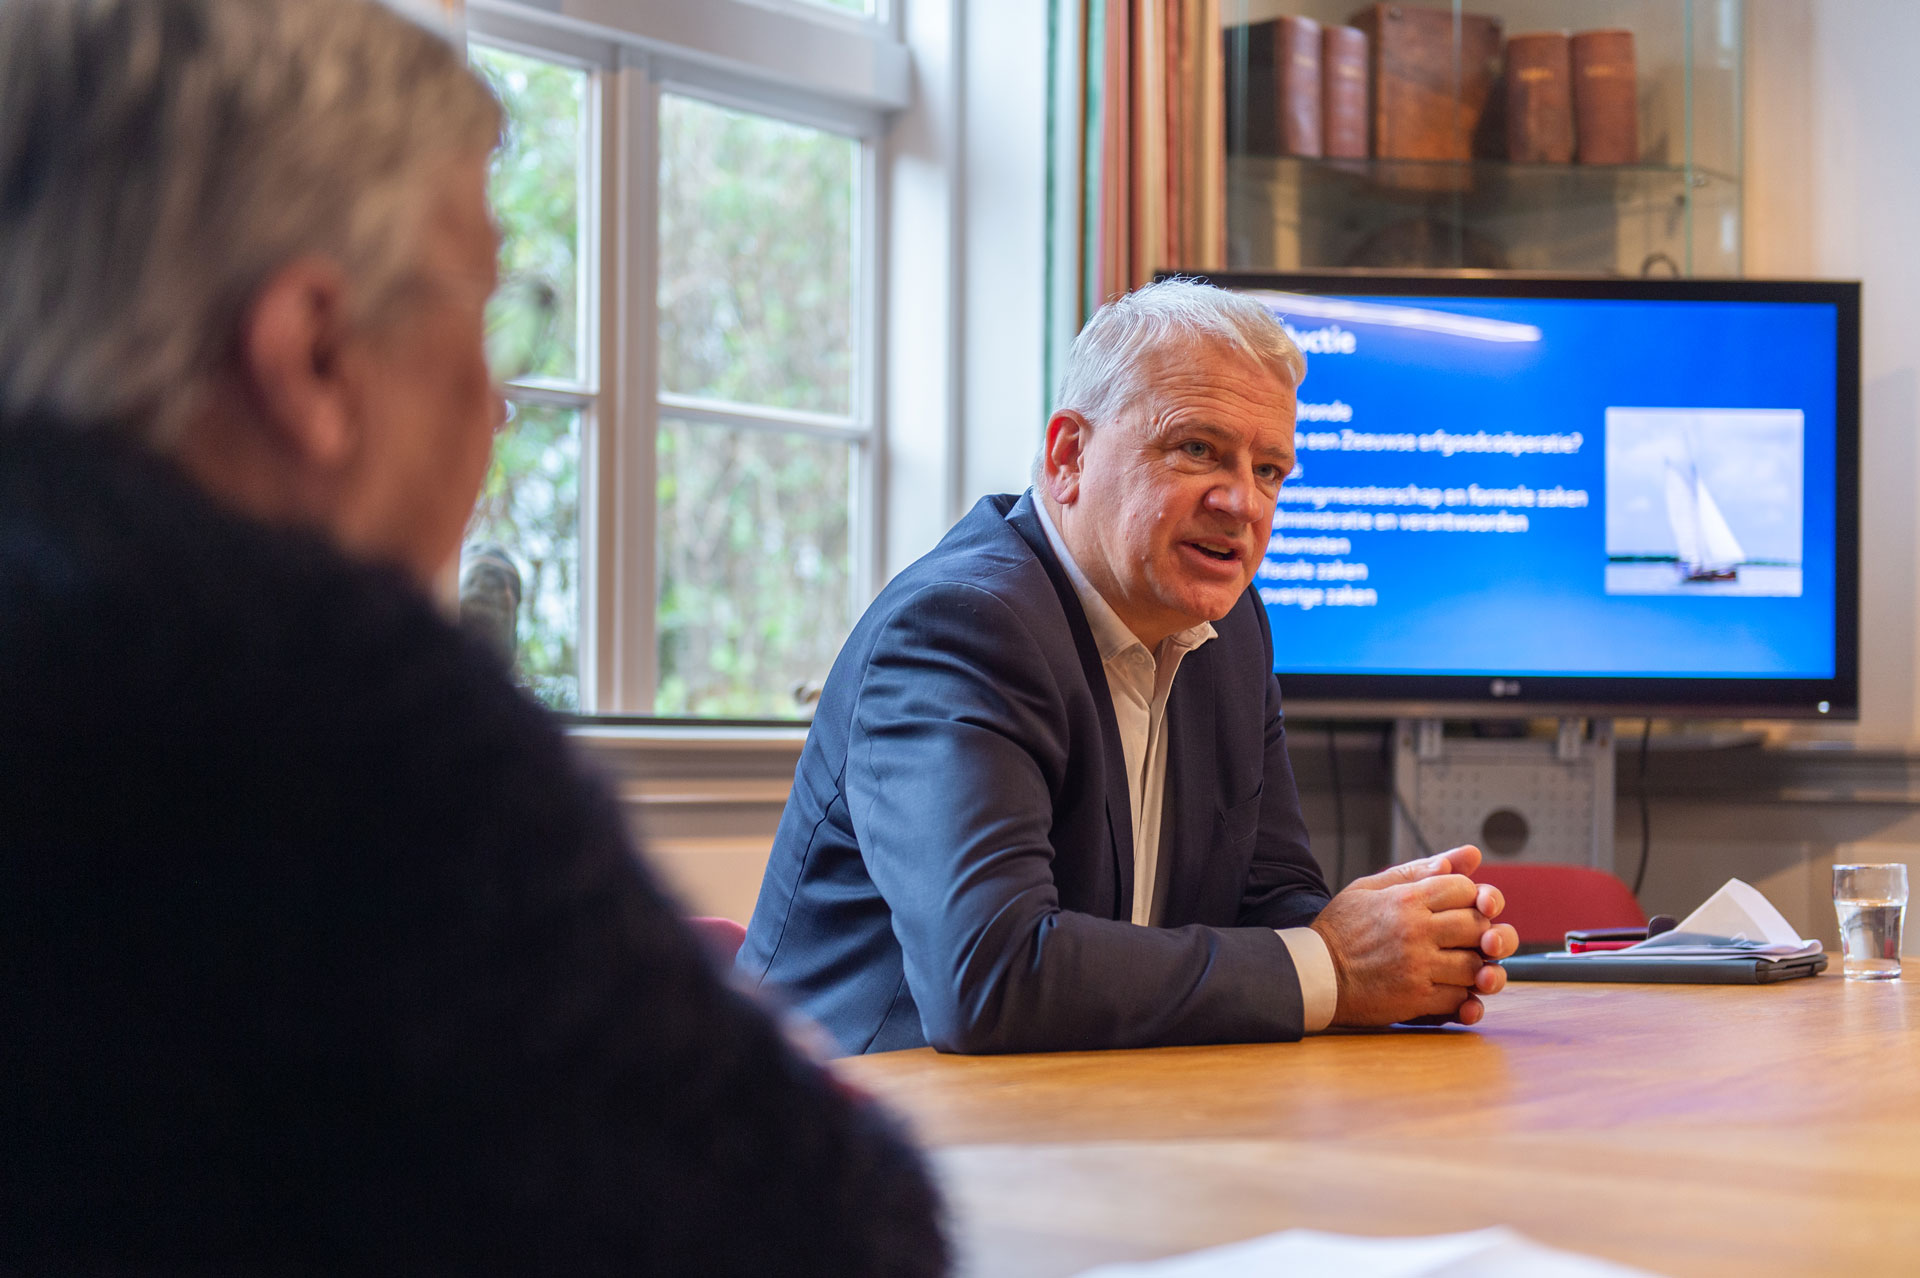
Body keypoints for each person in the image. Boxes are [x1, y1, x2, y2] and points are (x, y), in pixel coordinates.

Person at [0, 0, 946, 1273]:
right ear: (313, 356)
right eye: (488, 309)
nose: (500, 400)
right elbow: (836, 1231)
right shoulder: (325, 715)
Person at [739, 279, 1519, 1055]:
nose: (1243, 504)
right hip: (850, 1133)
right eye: (1197, 449)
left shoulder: (1230, 625)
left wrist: (1407, 949)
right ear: (1069, 454)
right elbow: (989, 977)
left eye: (1271, 471)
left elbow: (1270, 905)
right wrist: (1333, 966)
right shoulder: (961, 628)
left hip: (1085, 1119)